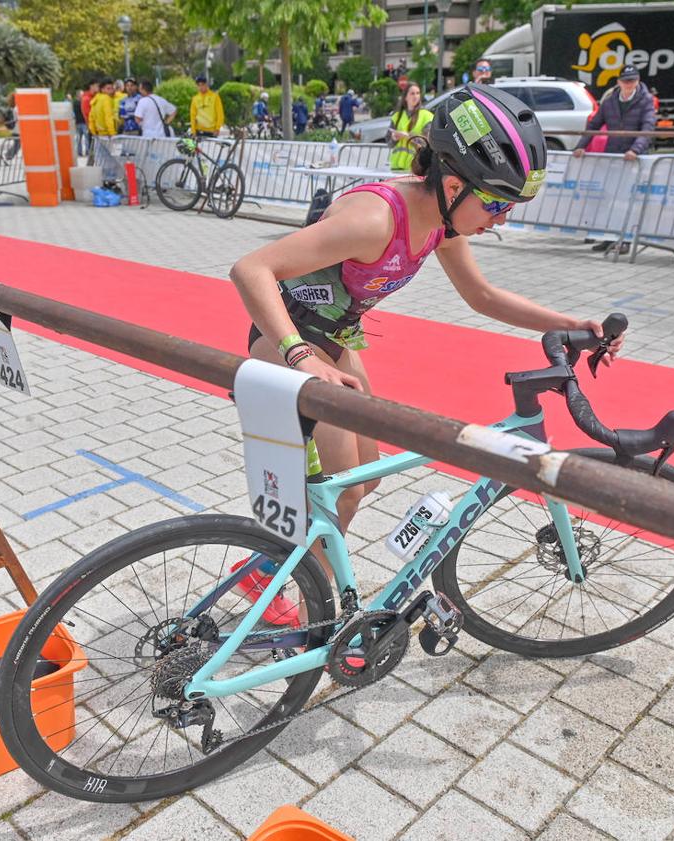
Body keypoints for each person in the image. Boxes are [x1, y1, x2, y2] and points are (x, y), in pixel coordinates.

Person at [228, 84, 624, 620]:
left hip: (334, 338)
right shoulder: (375, 219)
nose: (502, 219)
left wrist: (571, 323)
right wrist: (300, 356)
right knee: (341, 489)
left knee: (363, 477)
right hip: (289, 341)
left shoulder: (442, 219)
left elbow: (482, 297)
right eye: (498, 204)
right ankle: (303, 597)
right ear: (456, 183)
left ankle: (275, 570)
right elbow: (251, 270)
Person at [573, 65, 656, 254]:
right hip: (613, 156)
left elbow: (648, 128)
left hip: (634, 160)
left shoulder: (646, 101)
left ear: (638, 81)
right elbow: (594, 125)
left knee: (629, 201)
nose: (629, 84)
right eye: (626, 81)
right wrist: (581, 145)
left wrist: (635, 149)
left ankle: (625, 241)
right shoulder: (610, 101)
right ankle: (607, 237)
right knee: (608, 198)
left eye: (632, 81)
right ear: (619, 82)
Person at [387, 81, 434, 171]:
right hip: (396, 167)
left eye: (418, 93)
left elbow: (427, 143)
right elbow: (389, 144)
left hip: (416, 168)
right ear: (405, 97)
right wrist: (393, 139)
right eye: (412, 93)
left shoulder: (426, 116)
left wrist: (408, 136)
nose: (415, 96)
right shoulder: (397, 116)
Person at [73, 90, 89, 156]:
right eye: (82, 95)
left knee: (78, 139)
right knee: (86, 138)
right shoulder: (81, 103)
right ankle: (87, 151)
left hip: (77, 122)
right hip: (83, 122)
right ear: (78, 95)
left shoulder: (74, 103)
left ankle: (79, 152)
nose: (83, 96)